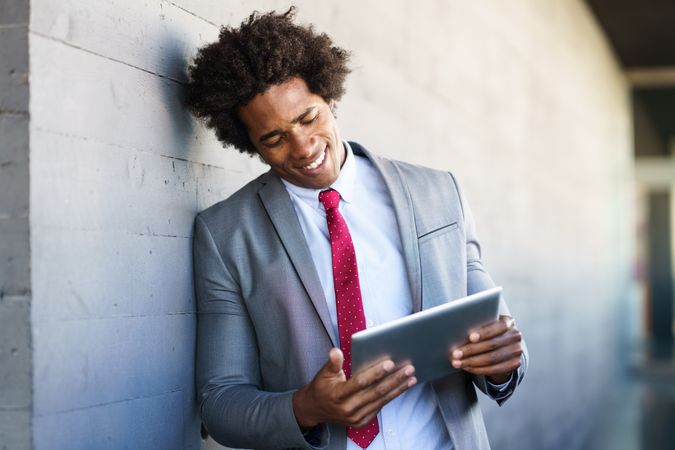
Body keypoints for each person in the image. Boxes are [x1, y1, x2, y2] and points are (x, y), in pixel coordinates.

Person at [186, 7, 527, 450]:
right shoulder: (225, 234)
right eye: (273, 139)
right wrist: (306, 407)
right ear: (250, 145)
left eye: (308, 118)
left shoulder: (438, 194)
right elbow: (219, 403)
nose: (303, 147)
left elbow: (495, 329)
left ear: (329, 98)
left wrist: (501, 362)